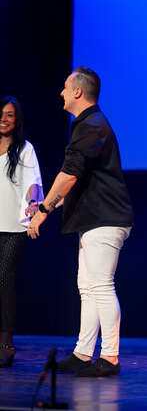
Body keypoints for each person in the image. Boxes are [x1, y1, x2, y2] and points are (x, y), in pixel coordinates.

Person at [27, 67, 134, 377]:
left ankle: (110, 357)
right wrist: (49, 204)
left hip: (105, 218)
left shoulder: (92, 126)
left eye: (65, 87)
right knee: (87, 287)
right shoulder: (87, 125)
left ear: (77, 92)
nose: (61, 93)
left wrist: (43, 210)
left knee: (101, 286)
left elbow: (69, 174)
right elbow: (79, 177)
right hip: (94, 218)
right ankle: (83, 353)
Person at [0, 96, 43, 367]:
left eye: (9, 114)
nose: (4, 119)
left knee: (4, 279)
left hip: (14, 227)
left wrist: (34, 207)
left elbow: (33, 183)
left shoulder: (25, 149)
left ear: (17, 120)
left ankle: (6, 344)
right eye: (1, 114)